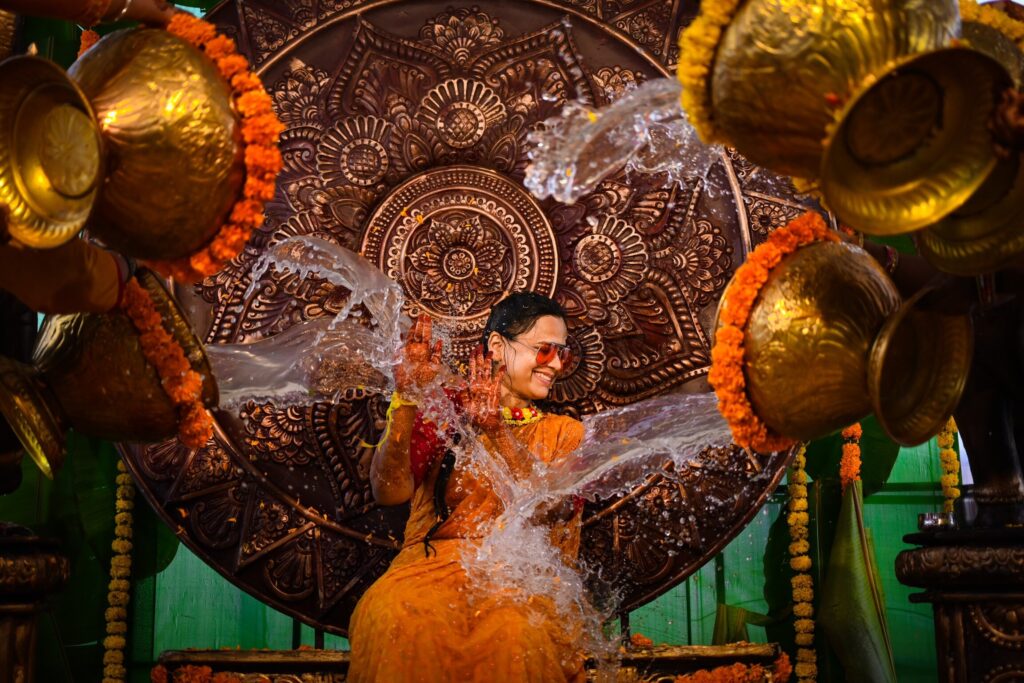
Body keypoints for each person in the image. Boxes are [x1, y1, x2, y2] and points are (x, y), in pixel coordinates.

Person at [349, 292, 587, 683]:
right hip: (427, 570)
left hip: (521, 576)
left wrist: (498, 432)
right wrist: (407, 399)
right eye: (545, 351)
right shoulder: (446, 415)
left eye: (565, 354)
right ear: (497, 346)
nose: (558, 364)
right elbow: (388, 493)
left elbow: (551, 509)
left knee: (515, 635)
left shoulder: (566, 433)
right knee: (399, 619)